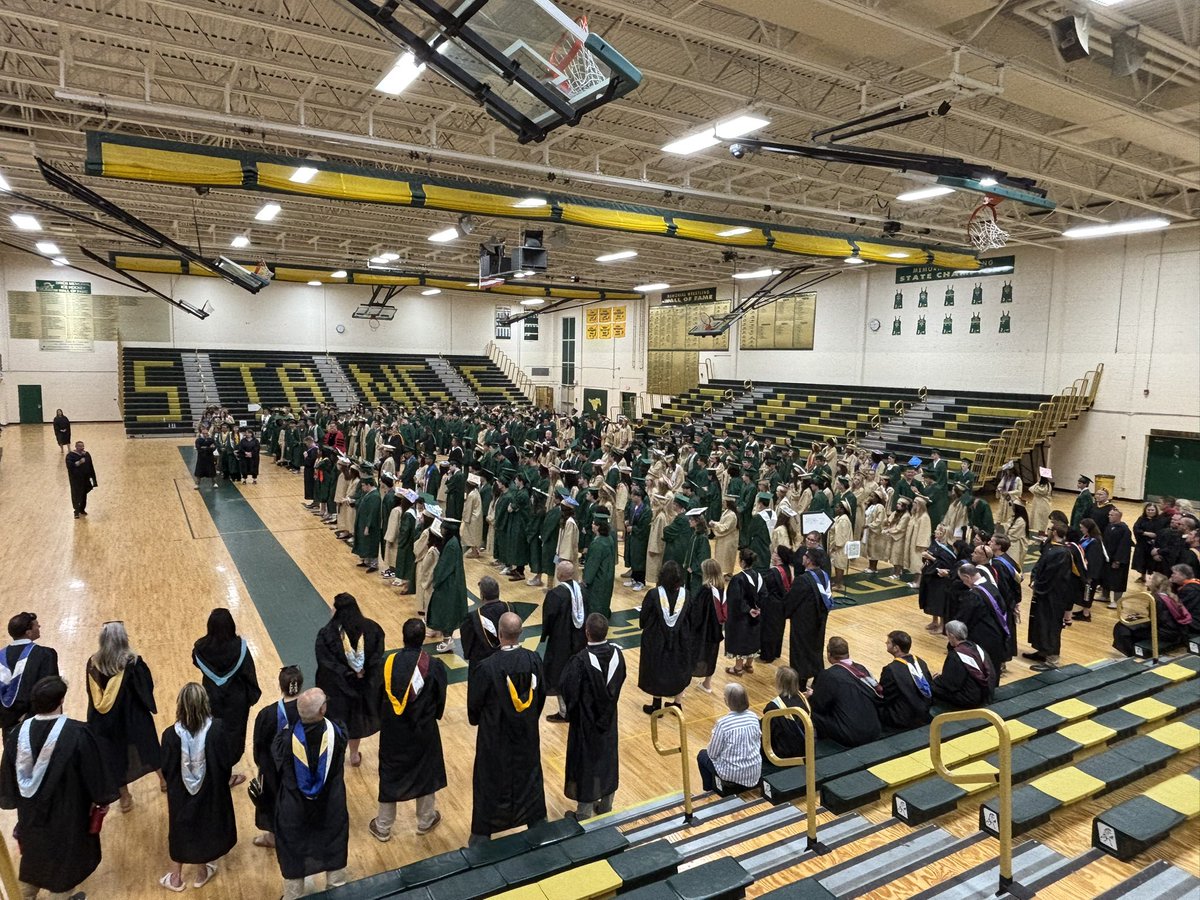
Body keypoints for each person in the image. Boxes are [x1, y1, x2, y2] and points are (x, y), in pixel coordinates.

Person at [0, 675, 118, 900]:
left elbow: (8, 781)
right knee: (64, 861)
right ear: (62, 700)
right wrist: (102, 799)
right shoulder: (77, 734)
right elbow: (94, 776)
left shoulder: (16, 736)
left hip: (30, 813)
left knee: (34, 854)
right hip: (68, 812)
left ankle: (26, 894)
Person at [466, 612, 546, 845]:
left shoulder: (486, 668)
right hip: (526, 734)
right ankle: (535, 819)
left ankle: (482, 832)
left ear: (499, 634)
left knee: (489, 781)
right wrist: (528, 719)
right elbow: (540, 697)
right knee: (529, 775)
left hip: (495, 737)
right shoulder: (533, 660)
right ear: (520, 634)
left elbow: (474, 708)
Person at [370, 618, 447, 841]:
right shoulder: (432, 666)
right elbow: (439, 700)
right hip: (423, 730)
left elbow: (376, 697)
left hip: (394, 731)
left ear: (403, 637)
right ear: (423, 638)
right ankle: (425, 820)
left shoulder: (387, 664)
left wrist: (386, 718)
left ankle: (383, 826)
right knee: (425, 772)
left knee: (390, 771)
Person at [272, 688, 349, 900]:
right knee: (334, 844)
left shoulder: (284, 741)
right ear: (322, 710)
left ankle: (293, 896)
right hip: (330, 805)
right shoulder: (339, 734)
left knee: (293, 850)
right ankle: (338, 890)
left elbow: (275, 765)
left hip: (294, 807)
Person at [159, 683, 237, 892]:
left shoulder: (169, 735)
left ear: (180, 706)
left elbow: (166, 768)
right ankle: (202, 873)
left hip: (180, 794)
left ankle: (176, 878)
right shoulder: (218, 729)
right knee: (204, 825)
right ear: (205, 704)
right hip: (211, 792)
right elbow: (225, 763)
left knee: (180, 829)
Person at [86, 621, 160, 813]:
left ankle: (124, 798)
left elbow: (93, 694)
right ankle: (165, 780)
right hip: (134, 717)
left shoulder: (93, 663)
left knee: (115, 757)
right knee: (149, 747)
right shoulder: (133, 663)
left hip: (107, 722)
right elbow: (146, 688)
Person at [560, 613, 626, 820]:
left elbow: (568, 690)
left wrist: (573, 711)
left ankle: (583, 813)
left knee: (586, 763)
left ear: (586, 632)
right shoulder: (618, 656)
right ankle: (606, 806)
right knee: (608, 759)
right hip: (609, 720)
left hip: (585, 724)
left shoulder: (580, 661)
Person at [314, 593, 384, 768]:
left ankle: (336, 757)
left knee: (337, 721)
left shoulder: (327, 634)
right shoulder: (372, 628)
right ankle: (354, 755)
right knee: (356, 720)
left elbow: (325, 662)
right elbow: (377, 655)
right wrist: (363, 672)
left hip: (338, 687)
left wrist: (346, 674)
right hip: (363, 686)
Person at [192, 608, 261, 767]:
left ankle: (215, 762)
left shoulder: (200, 647)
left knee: (213, 728)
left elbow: (196, 662)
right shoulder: (240, 647)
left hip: (210, 696)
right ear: (231, 625)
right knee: (234, 732)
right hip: (236, 700)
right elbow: (248, 673)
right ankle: (227, 768)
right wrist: (249, 698)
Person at [250, 665, 303, 849]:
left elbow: (258, 744)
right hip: (302, 765)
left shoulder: (267, 714)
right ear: (300, 685)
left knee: (272, 799)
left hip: (273, 769)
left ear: (280, 686)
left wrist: (261, 765)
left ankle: (273, 837)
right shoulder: (311, 710)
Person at [638, 560, 692, 715]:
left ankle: (657, 705)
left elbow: (644, 617)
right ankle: (677, 704)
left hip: (657, 639)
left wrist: (645, 627)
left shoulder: (654, 594)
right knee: (679, 669)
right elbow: (692, 619)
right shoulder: (686, 595)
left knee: (657, 668)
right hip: (681, 640)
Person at [808, 637, 882, 748]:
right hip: (874, 729)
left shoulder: (828, 675)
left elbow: (819, 706)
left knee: (808, 710)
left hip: (851, 735)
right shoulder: (861, 669)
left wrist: (812, 696)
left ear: (829, 654)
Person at [0, 612, 60, 741]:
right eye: (36, 626)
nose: (39, 627)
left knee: (12, 758)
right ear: (28, 632)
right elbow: (51, 691)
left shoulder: (0, 656)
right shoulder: (46, 655)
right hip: (37, 724)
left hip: (7, 723)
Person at [540, 561, 587, 723]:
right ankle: (579, 707)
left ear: (559, 575)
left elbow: (549, 618)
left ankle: (564, 711)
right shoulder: (583, 590)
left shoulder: (556, 594)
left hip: (561, 642)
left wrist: (546, 634)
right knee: (578, 674)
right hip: (581, 641)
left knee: (559, 675)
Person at [1024, 524, 1074, 671]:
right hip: (1043, 593)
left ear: (1055, 532)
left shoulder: (1062, 552)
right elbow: (1039, 565)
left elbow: (1054, 576)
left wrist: (1038, 585)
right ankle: (1042, 650)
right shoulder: (1050, 548)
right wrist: (1034, 579)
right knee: (1040, 621)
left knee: (1050, 624)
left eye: (1050, 530)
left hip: (1053, 595)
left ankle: (1052, 659)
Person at [696, 683, 761, 793]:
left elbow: (712, 754)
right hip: (754, 772)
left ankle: (709, 790)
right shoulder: (754, 717)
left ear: (727, 701)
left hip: (731, 774)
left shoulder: (723, 723)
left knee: (702, 755)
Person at [783, 548, 832, 691]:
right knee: (816, 648)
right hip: (819, 620)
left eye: (805, 556)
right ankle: (817, 678)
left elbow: (791, 601)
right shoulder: (824, 575)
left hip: (803, 622)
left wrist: (784, 613)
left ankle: (801, 684)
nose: (802, 558)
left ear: (809, 560)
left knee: (800, 651)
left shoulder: (802, 580)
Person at [953, 564, 1009, 687]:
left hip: (981, 638)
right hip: (997, 635)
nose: (964, 583)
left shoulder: (973, 595)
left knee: (981, 670)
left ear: (967, 577)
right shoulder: (991, 587)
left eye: (963, 580)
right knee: (993, 670)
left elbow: (964, 620)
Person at [1112, 573, 1192, 656]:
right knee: (1132, 623)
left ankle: (1130, 653)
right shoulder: (1169, 595)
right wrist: (1138, 618)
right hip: (1175, 629)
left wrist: (1137, 621)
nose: (1147, 578)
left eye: (1150, 578)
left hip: (1166, 633)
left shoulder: (1156, 599)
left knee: (1122, 627)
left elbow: (1157, 621)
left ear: (1155, 583)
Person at [932, 621, 995, 707]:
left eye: (947, 635)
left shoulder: (956, 655)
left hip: (970, 699)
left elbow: (951, 685)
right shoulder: (977, 648)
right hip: (987, 691)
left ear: (952, 636)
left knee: (931, 687)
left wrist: (936, 680)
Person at [879, 631, 933, 729]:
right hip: (924, 710)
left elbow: (885, 695)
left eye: (888, 642)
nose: (886, 643)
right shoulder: (921, 662)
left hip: (903, 717)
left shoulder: (891, 669)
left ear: (896, 648)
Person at [428, 519, 468, 654]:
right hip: (452, 582)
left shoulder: (451, 545)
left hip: (448, 584)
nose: (441, 531)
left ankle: (447, 640)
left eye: (444, 529)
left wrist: (436, 579)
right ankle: (446, 638)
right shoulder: (454, 542)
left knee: (445, 612)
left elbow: (444, 567)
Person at [724, 548, 765, 676]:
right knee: (752, 638)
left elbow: (735, 599)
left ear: (741, 562)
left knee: (740, 638)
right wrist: (758, 608)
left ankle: (738, 668)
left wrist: (748, 609)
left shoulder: (738, 579)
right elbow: (764, 594)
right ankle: (749, 665)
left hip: (742, 617)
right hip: (756, 615)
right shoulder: (759, 576)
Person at [688, 558, 725, 694]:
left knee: (693, 654)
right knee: (711, 655)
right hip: (715, 629)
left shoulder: (705, 591)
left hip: (701, 630)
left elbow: (697, 613)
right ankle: (707, 684)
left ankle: (683, 687)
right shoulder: (720, 588)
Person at [762, 667, 810, 762]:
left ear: (779, 683)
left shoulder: (774, 707)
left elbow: (769, 732)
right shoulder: (802, 699)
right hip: (806, 747)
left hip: (784, 752)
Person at [583, 509, 617, 617]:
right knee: (605, 598)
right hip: (608, 575)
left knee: (596, 601)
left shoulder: (598, 544)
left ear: (598, 527)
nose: (592, 525)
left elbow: (593, 565)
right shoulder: (609, 538)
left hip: (598, 578)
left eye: (593, 523)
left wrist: (586, 580)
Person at [1101, 508, 1133, 608]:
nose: (1109, 516)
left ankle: (1116, 601)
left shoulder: (1124, 530)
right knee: (1106, 577)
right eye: (1109, 515)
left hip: (1118, 560)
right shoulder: (1109, 526)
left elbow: (1124, 546)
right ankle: (1105, 595)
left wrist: (1118, 560)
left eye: (1112, 515)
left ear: (1119, 516)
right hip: (1108, 558)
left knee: (1118, 580)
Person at [65, 440, 98, 518]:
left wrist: (94, 479)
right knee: (76, 494)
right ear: (76, 447)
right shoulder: (70, 456)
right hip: (75, 480)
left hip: (85, 478)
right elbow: (70, 466)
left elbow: (91, 466)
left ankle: (82, 509)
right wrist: (79, 462)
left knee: (84, 494)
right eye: (80, 446)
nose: (82, 448)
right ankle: (76, 511)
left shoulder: (87, 455)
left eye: (83, 446)